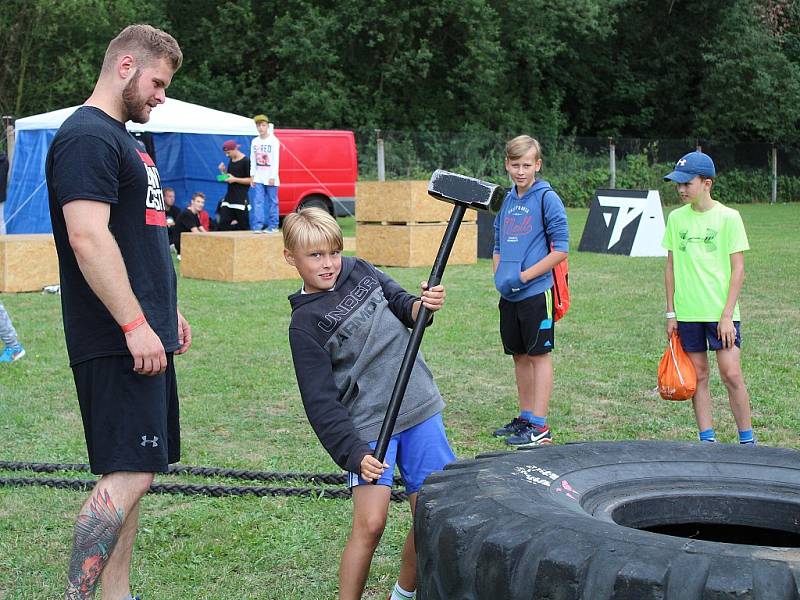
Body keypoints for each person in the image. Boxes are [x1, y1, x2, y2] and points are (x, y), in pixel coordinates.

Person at [44, 24, 191, 600]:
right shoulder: (87, 137)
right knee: (129, 473)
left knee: (132, 472)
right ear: (126, 66)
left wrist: (162, 313)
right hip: (116, 338)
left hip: (143, 332)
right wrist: (134, 324)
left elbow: (138, 238)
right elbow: (88, 238)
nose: (161, 95)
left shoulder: (124, 139)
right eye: (158, 82)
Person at [283, 207, 454, 600]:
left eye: (332, 252)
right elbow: (321, 403)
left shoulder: (360, 269)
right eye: (314, 256)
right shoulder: (304, 325)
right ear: (290, 257)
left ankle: (404, 593)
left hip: (418, 405)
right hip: (370, 427)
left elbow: (401, 303)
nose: (327, 264)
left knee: (431, 515)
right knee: (371, 523)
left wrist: (421, 306)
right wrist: (353, 452)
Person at [662, 151, 755, 445]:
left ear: (707, 183)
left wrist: (727, 315)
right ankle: (707, 441)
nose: (681, 189)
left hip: (721, 314)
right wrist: (670, 313)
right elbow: (670, 266)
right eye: (678, 184)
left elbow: (738, 268)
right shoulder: (676, 218)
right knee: (698, 376)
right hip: (688, 313)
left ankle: (748, 441)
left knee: (731, 374)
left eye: (687, 183)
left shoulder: (729, 218)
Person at [492, 135, 569, 447]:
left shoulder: (546, 198)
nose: (520, 171)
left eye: (527, 165)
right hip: (508, 294)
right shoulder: (506, 200)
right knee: (519, 355)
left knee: (539, 355)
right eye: (515, 164)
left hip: (536, 292)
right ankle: (524, 417)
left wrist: (525, 275)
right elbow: (497, 242)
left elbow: (561, 249)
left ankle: (539, 425)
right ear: (507, 165)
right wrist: (500, 274)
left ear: (537, 165)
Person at [250, 114, 280, 232]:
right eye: (259, 126)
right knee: (258, 201)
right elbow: (253, 158)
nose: (261, 128)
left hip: (270, 176)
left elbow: (275, 159)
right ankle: (258, 225)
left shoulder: (273, 140)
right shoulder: (255, 141)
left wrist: (273, 176)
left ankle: (273, 225)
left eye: (263, 125)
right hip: (258, 176)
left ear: (267, 126)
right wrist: (252, 175)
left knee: (273, 201)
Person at [217, 139, 251, 230]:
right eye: (225, 153)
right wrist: (223, 172)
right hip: (229, 200)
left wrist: (235, 179)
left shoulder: (246, 161)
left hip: (240, 200)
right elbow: (229, 178)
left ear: (235, 149)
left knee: (244, 228)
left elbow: (251, 180)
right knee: (222, 226)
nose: (227, 155)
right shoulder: (231, 160)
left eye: (228, 153)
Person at [174, 191, 207, 258]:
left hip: (189, 244)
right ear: (192, 202)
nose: (200, 204)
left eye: (202, 202)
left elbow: (203, 230)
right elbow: (196, 233)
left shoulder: (195, 214)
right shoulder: (187, 214)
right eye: (198, 201)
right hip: (182, 247)